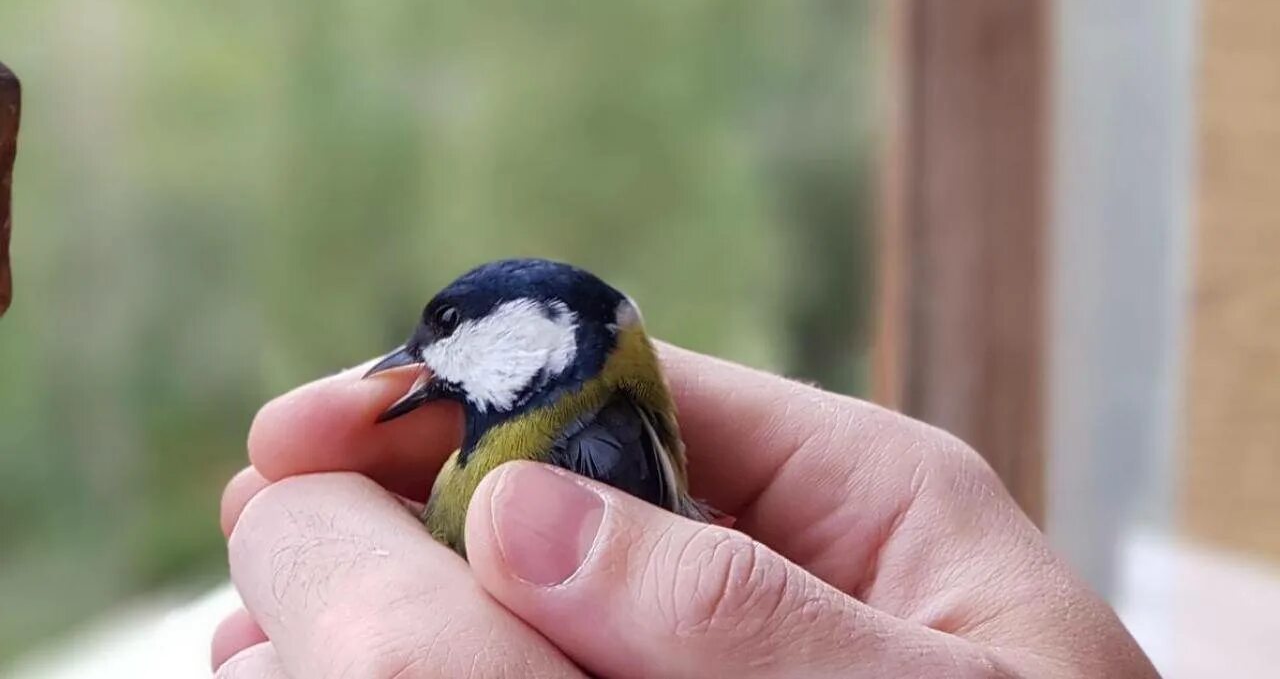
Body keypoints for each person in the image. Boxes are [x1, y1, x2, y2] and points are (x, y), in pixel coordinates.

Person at [212, 344, 1159, 678]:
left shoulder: (595, 444)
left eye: (449, 332)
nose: (420, 358)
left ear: (545, 335)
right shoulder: (488, 452)